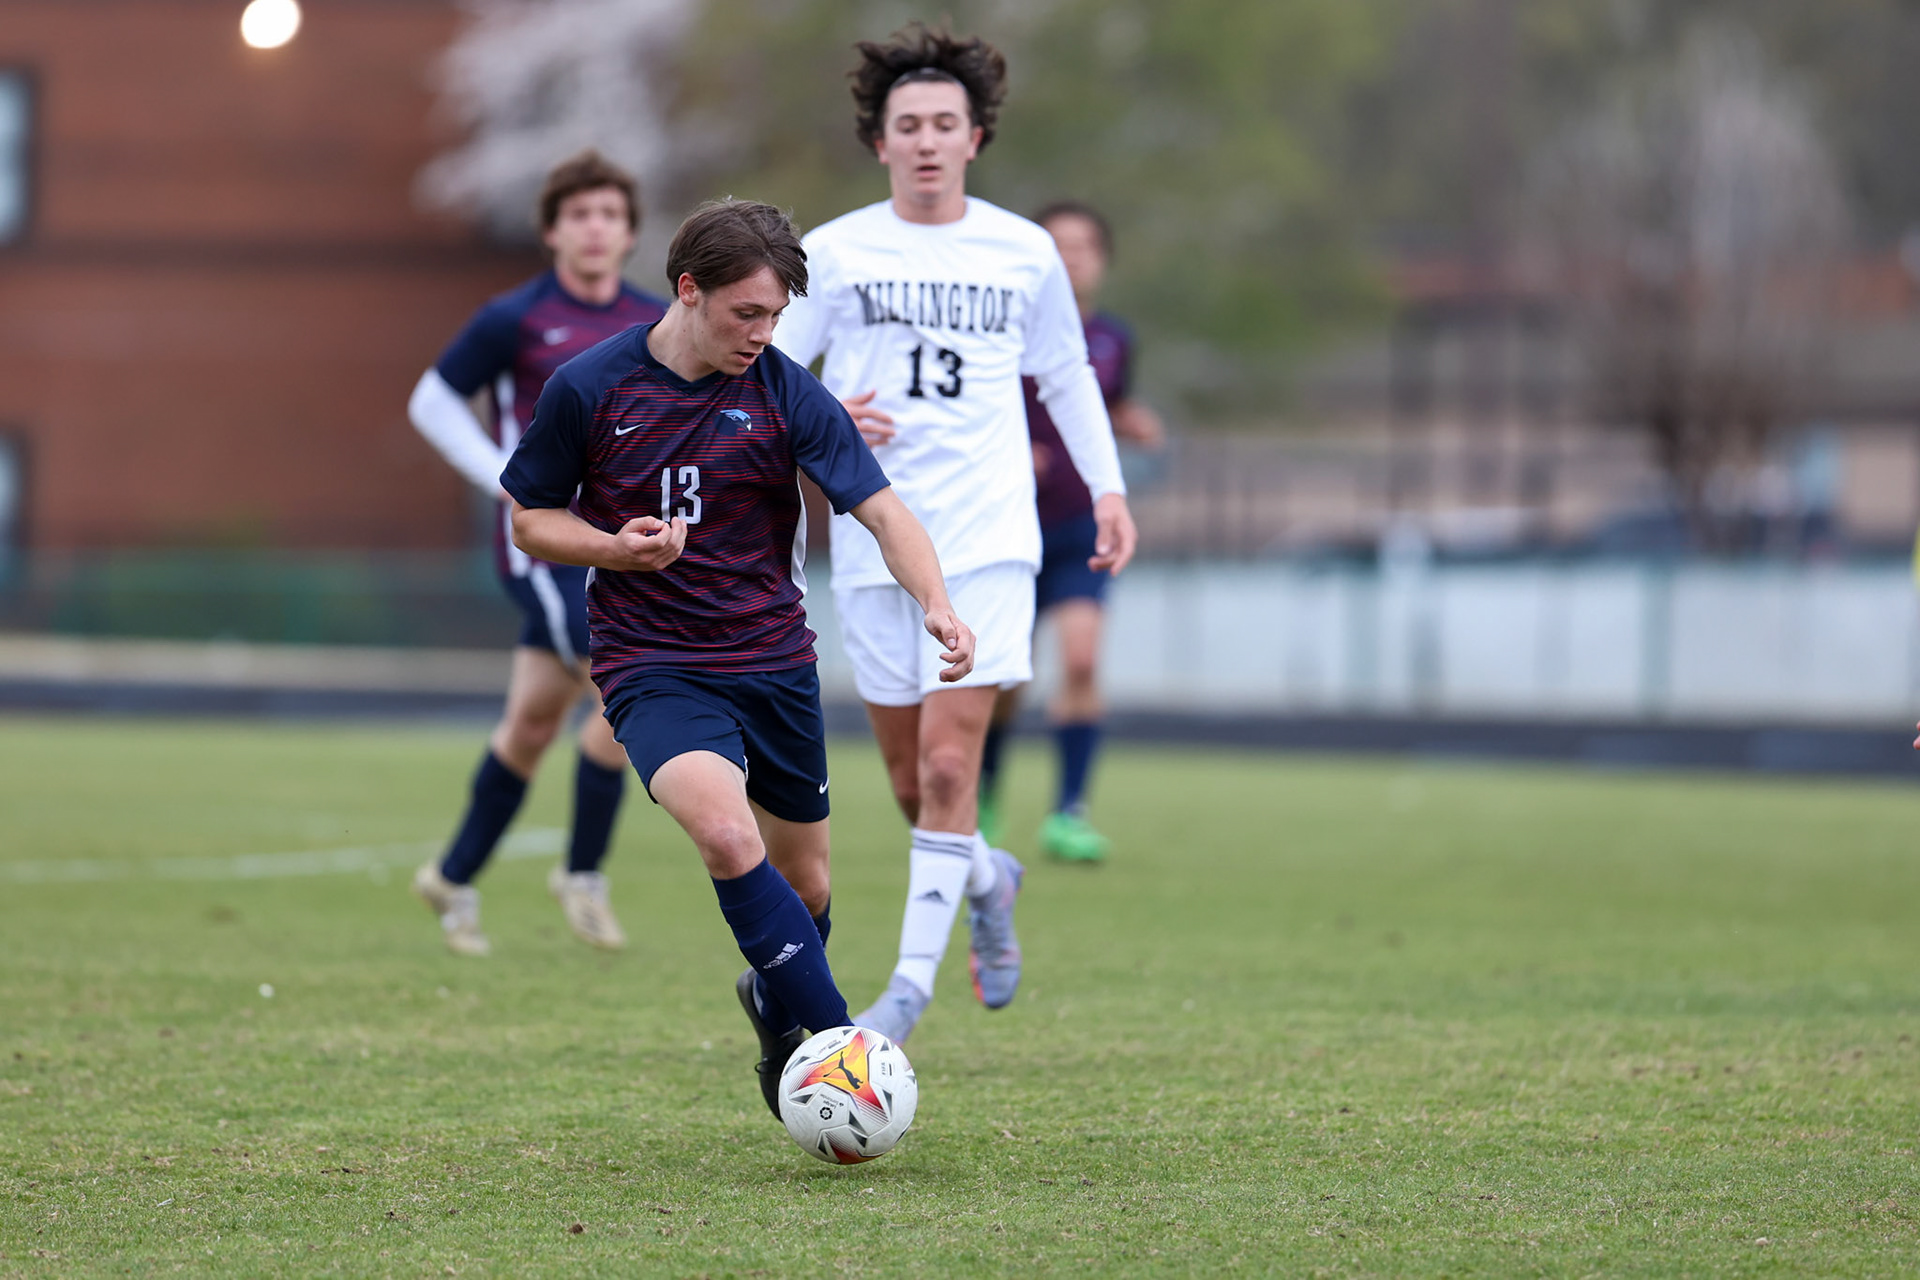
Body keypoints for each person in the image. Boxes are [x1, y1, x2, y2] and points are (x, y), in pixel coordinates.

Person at [502, 198, 975, 1115]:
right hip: (653, 667)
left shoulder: (788, 393)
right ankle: (842, 1053)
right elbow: (530, 517)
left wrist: (939, 604)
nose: (761, 334)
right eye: (744, 314)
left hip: (774, 664)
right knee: (727, 836)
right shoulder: (590, 387)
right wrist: (612, 548)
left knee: (810, 889)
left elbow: (882, 511)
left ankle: (774, 1005)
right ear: (688, 290)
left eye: (775, 317)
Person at [773, 25, 1138, 1043]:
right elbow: (775, 382)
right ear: (879, 140)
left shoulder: (1023, 250)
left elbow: (1066, 374)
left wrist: (1107, 490)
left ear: (974, 137)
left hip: (987, 540)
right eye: (907, 125)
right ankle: (988, 875)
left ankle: (903, 996)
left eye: (944, 123)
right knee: (906, 781)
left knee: (947, 770)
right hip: (874, 543)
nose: (926, 140)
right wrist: (833, 407)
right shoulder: (836, 252)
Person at [407, 152, 667, 956]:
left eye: (610, 215)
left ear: (629, 233)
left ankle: (452, 876)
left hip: (620, 547)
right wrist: (504, 480)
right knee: (625, 684)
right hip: (543, 550)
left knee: (529, 724)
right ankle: (583, 872)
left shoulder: (657, 318)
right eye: (579, 214)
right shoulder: (513, 318)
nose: (595, 228)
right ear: (553, 229)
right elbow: (432, 399)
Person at [977, 200, 1165, 863]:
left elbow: (1099, 406)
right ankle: (985, 794)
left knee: (1083, 661)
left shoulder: (1114, 338)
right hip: (1006, 524)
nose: (1072, 256)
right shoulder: (1002, 329)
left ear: (1103, 260)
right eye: (1057, 244)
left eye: (1084, 245)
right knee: (1005, 680)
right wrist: (1011, 448)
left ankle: (1069, 813)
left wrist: (1129, 421)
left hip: (1079, 524)